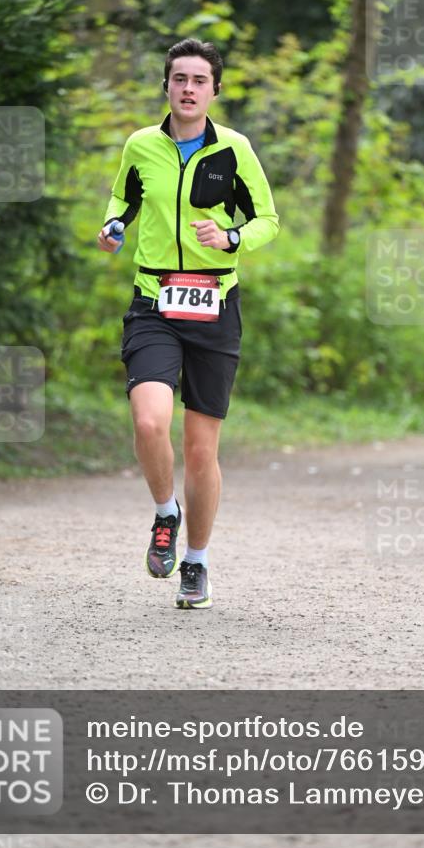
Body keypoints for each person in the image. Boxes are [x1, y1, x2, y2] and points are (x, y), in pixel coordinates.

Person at [97, 38, 279, 610]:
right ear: (167, 85)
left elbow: (267, 220)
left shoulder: (236, 150)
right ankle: (163, 514)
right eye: (180, 78)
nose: (189, 89)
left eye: (200, 80)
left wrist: (231, 237)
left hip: (214, 309)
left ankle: (196, 564)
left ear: (215, 89)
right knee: (150, 423)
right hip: (154, 301)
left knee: (201, 451)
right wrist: (112, 228)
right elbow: (121, 201)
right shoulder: (140, 146)